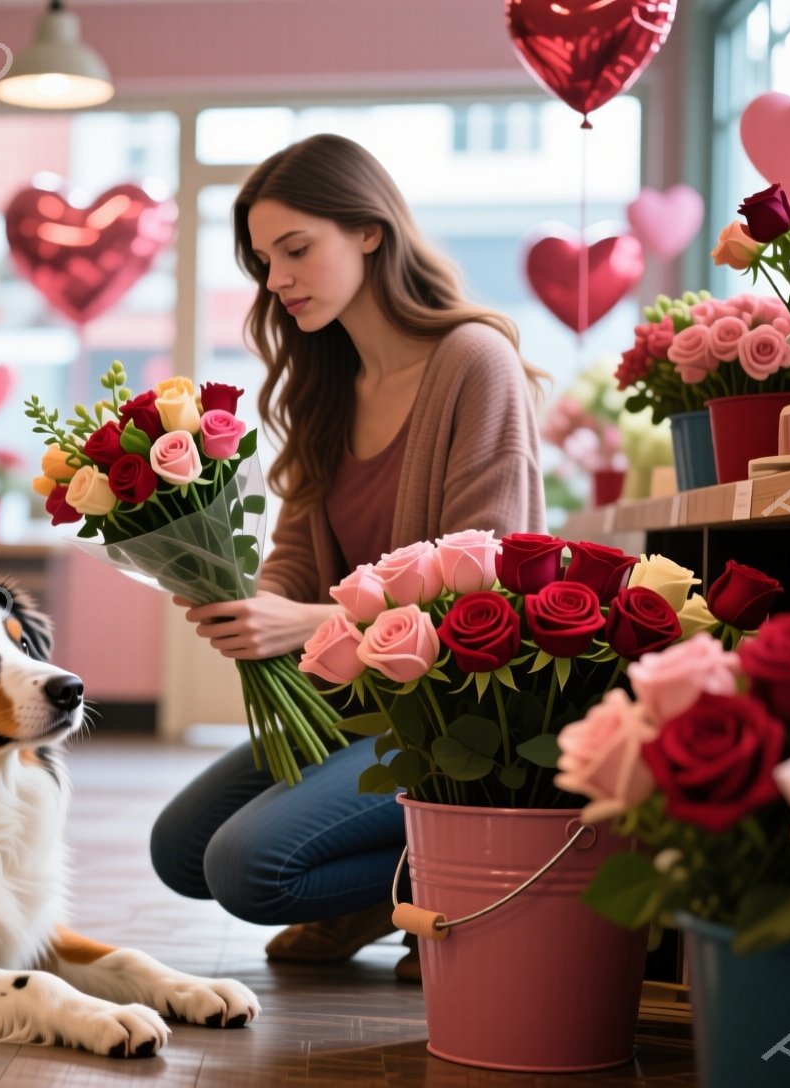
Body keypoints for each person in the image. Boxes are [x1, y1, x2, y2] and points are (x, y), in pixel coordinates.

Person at [149, 134, 547, 981]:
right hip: (347, 704)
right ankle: (387, 890)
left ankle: (454, 883)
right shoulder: (325, 378)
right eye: (263, 260)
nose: (277, 279)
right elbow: (294, 555)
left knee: (246, 868)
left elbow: (485, 593)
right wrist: (243, 599)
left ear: (369, 231)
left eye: (297, 250)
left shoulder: (475, 362)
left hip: (441, 716)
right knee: (179, 852)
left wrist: (303, 622)